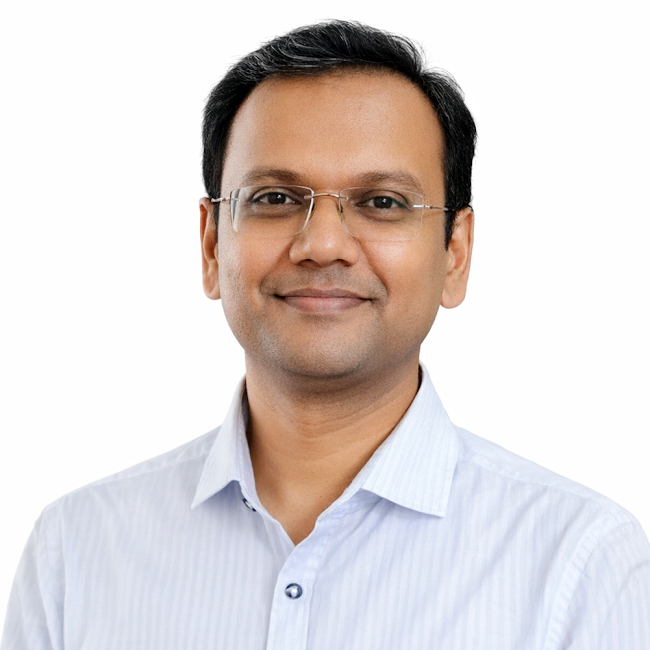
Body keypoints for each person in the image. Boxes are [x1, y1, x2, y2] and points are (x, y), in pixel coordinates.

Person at [3, 19, 649, 650]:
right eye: (275, 198)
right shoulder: (75, 555)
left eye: (383, 202)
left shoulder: (583, 566)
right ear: (211, 245)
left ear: (455, 253)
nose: (322, 245)